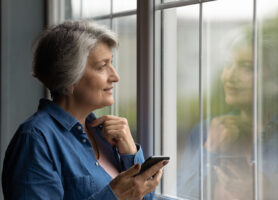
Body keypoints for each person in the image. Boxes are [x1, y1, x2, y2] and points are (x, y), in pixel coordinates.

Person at [2, 20, 168, 200]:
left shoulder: (105, 134)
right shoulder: (35, 139)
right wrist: (114, 197)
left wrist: (130, 154)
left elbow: (144, 198)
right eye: (103, 66)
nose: (115, 77)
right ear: (69, 78)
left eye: (112, 63)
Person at [178, 10, 278, 200]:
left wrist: (264, 192)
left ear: (275, 77)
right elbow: (180, 195)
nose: (230, 76)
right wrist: (209, 149)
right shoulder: (204, 131)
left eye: (247, 67)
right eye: (228, 64)